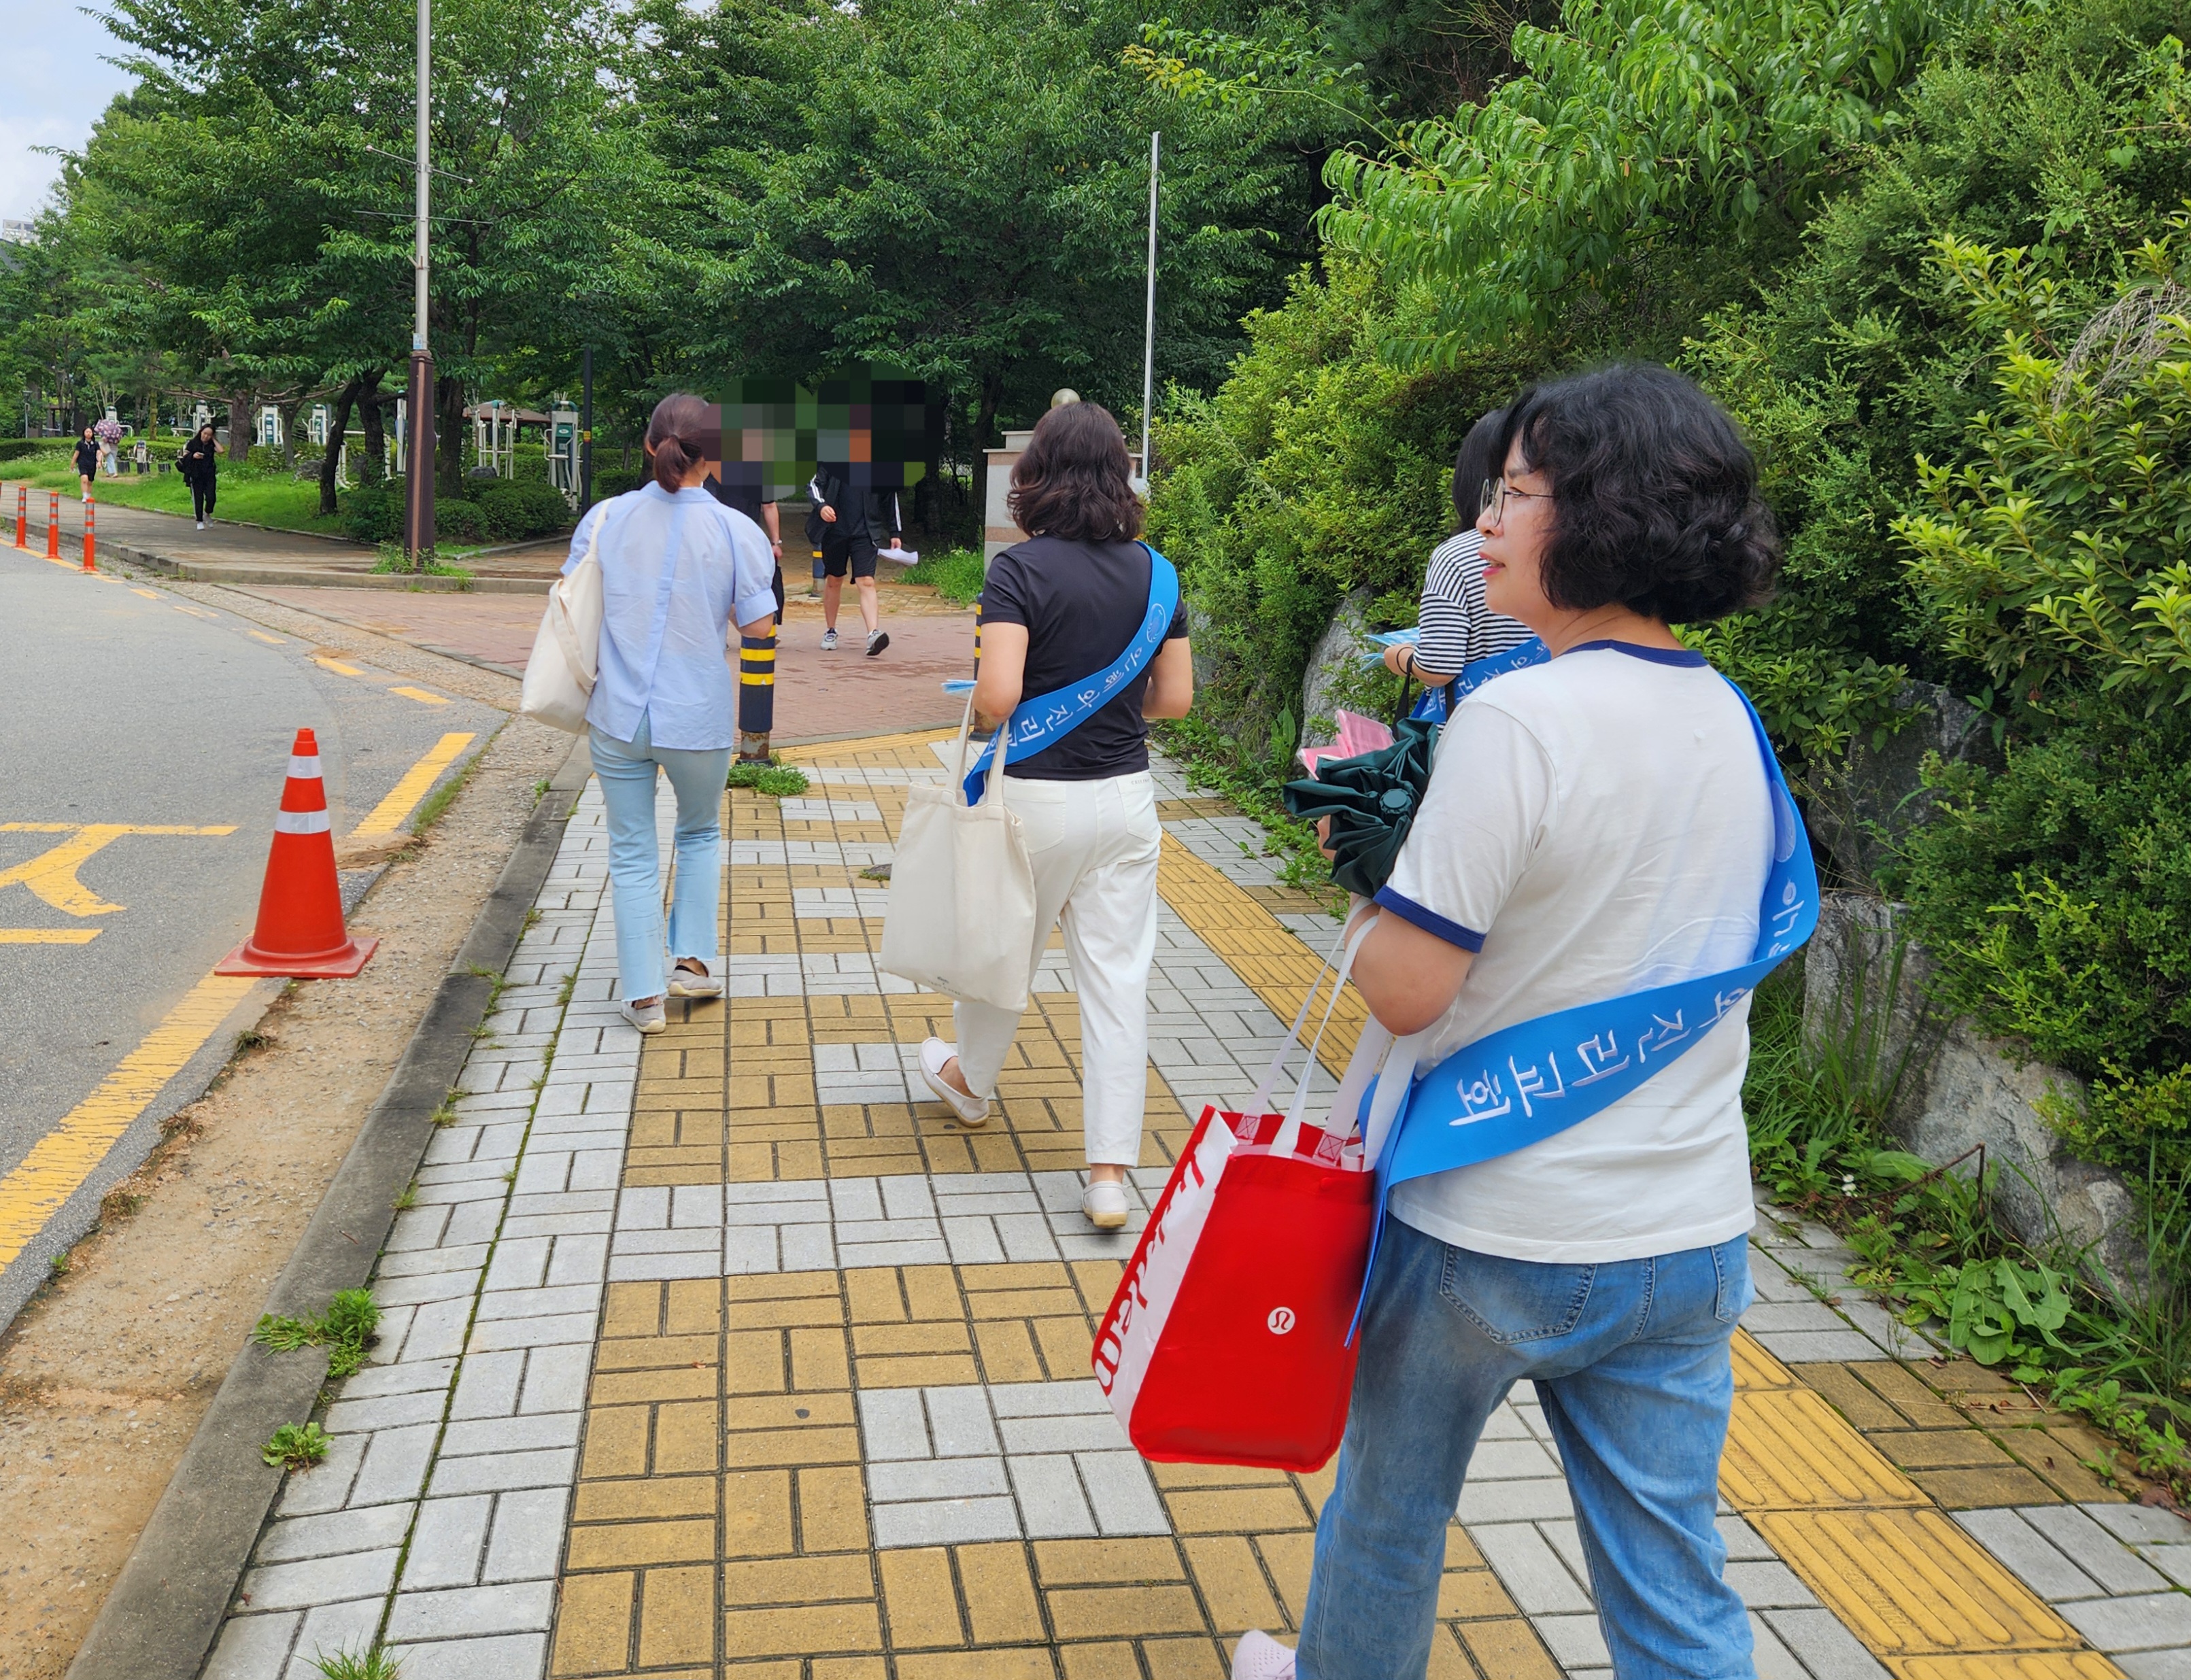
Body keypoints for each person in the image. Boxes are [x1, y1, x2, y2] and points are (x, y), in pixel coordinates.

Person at [1234, 364, 1783, 1680]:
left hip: (1490, 1226)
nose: (1485, 520)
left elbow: (1413, 985)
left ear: (1603, 515)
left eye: (1517, 492)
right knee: (1670, 1576)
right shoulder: (1731, 715)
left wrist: (1361, 874)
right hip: (1689, 1231)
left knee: (1388, 1514)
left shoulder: (1517, 715)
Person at [915, 401, 1195, 1229]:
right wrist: (1106, 709)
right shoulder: (1159, 573)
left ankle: (970, 1082)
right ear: (1122, 474)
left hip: (1037, 799)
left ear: (1038, 472)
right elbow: (1174, 699)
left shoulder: (1018, 571)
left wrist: (1027, 708)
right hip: (1127, 801)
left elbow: (998, 697)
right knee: (1117, 983)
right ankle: (1108, 1174)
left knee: (1006, 946)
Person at [568, 392, 779, 1035]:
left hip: (618, 713)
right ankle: (691, 965)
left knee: (632, 851)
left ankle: (643, 999)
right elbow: (760, 627)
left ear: (648, 446)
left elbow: (572, 601)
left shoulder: (605, 519)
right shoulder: (736, 529)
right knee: (699, 834)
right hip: (697, 716)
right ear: (712, 458)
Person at [1382, 410, 1533, 700]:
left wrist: (1396, 656)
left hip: (1474, 726)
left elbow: (1439, 666)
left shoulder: (1455, 557)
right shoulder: (1558, 546)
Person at [807, 463, 898, 655]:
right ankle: (830, 631)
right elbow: (814, 485)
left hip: (865, 533)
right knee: (833, 580)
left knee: (866, 581)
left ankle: (873, 634)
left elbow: (890, 498)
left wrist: (895, 532)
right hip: (834, 532)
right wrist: (822, 506)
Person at [178, 423, 220, 528]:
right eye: (205, 433)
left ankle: (208, 513)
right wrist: (194, 456)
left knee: (211, 497)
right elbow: (184, 457)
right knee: (198, 497)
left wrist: (214, 439)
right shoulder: (193, 443)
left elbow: (221, 450)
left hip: (209, 474)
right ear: (201, 432)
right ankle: (199, 520)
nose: (206, 437)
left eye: (209, 435)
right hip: (196, 474)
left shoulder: (211, 445)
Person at [73, 426, 99, 504]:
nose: (88, 434)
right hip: (82, 463)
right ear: (84, 433)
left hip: (92, 464)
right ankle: (84, 496)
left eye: (90, 432)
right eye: (87, 432)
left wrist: (100, 461)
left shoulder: (95, 444)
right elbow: (76, 454)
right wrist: (73, 463)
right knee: (84, 479)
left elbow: (99, 452)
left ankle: (88, 495)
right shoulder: (80, 443)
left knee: (90, 482)